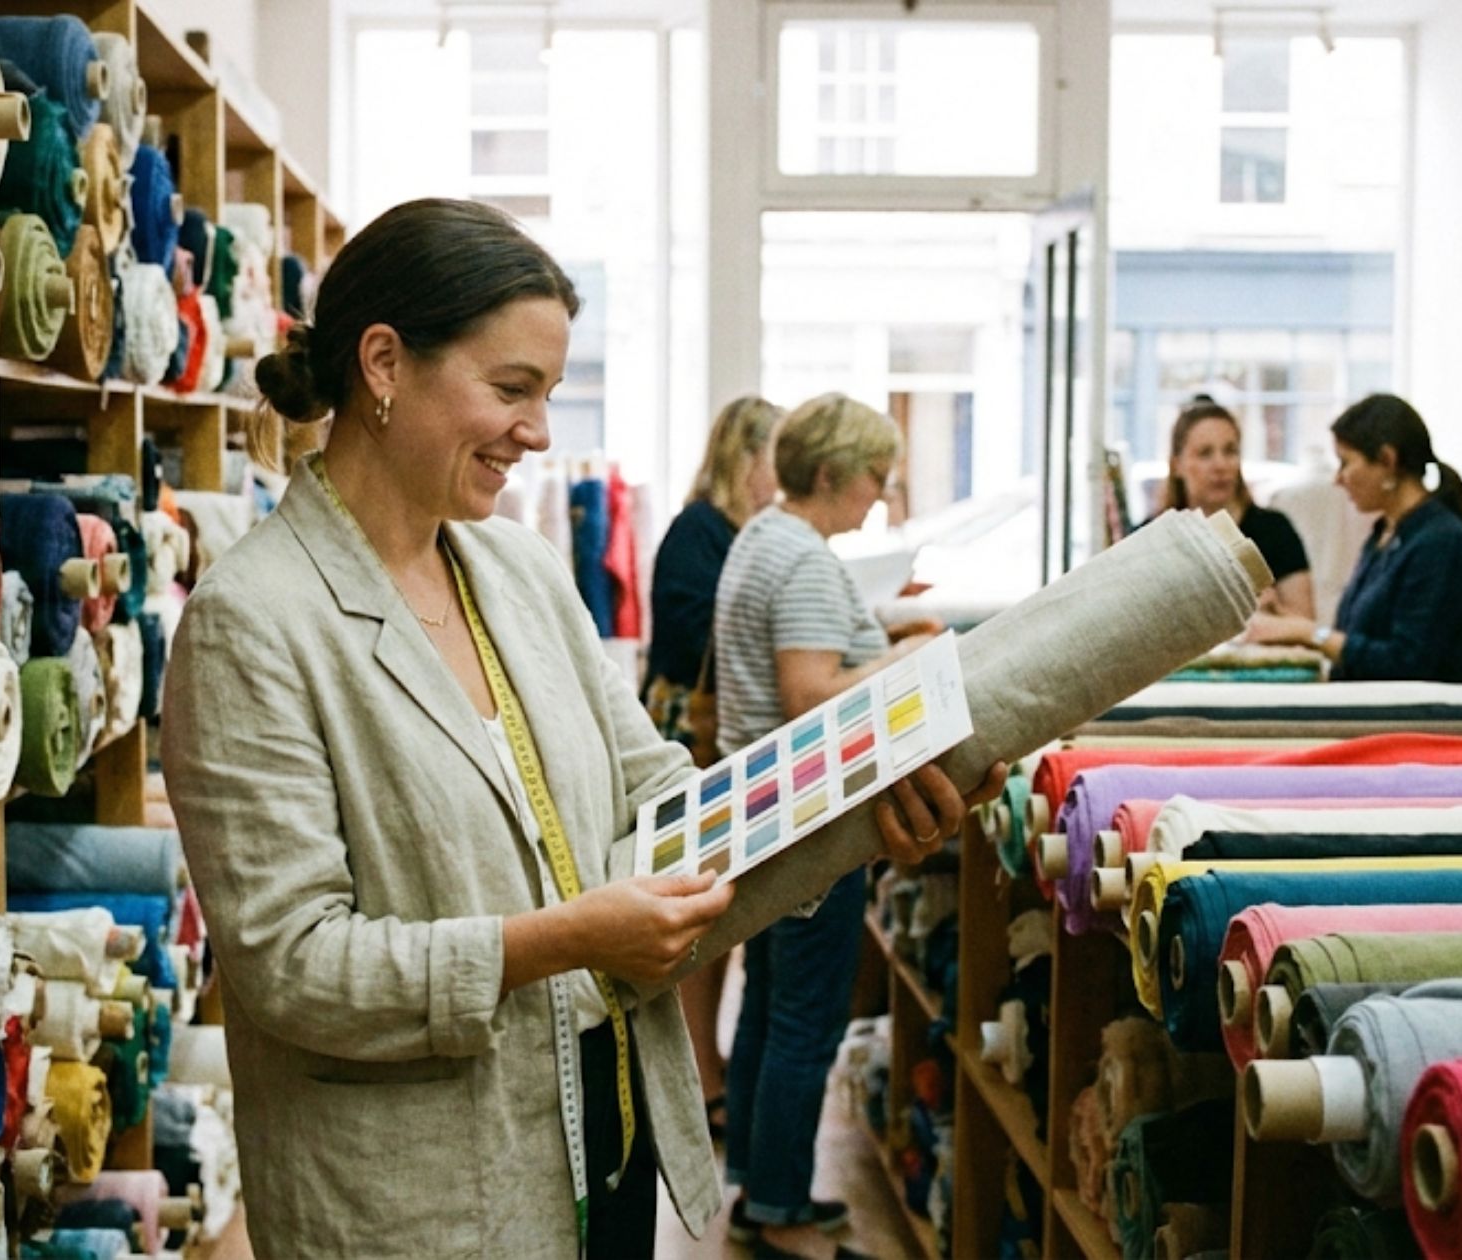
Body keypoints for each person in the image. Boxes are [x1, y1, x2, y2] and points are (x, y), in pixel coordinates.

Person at [160, 199, 1001, 1258]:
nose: (539, 430)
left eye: (547, 394)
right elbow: (293, 965)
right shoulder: (254, 622)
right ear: (381, 363)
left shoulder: (514, 570)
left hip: (601, 1137)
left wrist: (854, 804)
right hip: (410, 1199)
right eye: (510, 388)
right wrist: (559, 941)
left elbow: (653, 791)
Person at [714, 393, 933, 1260]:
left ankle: (763, 1192)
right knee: (808, 1015)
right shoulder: (803, 560)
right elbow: (807, 696)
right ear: (833, 473)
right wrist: (904, 663)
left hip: (763, 814)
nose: (881, 496)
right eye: (876, 477)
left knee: (772, 1002)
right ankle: (780, 1215)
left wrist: (878, 636)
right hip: (806, 821)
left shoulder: (763, 537)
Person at [642, 393, 787, 1133]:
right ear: (745, 460)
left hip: (717, 731)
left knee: (719, 900)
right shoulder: (699, 531)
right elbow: (695, 635)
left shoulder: (743, 534)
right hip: (687, 736)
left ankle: (710, 1062)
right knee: (703, 900)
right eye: (775, 459)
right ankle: (700, 1073)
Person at [1244, 393, 1462, 681]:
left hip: (1418, 720)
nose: (1338, 478)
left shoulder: (1442, 543)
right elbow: (1360, 640)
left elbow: (1407, 662)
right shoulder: (1386, 534)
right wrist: (1286, 621)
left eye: (1345, 463)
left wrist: (1309, 633)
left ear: (1387, 459)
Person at [1153, 395, 1315, 619]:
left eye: (1230, 451)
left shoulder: (1275, 530)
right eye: (1205, 453)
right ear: (1177, 465)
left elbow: (1305, 622)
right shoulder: (1153, 539)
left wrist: (1274, 611)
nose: (1220, 465)